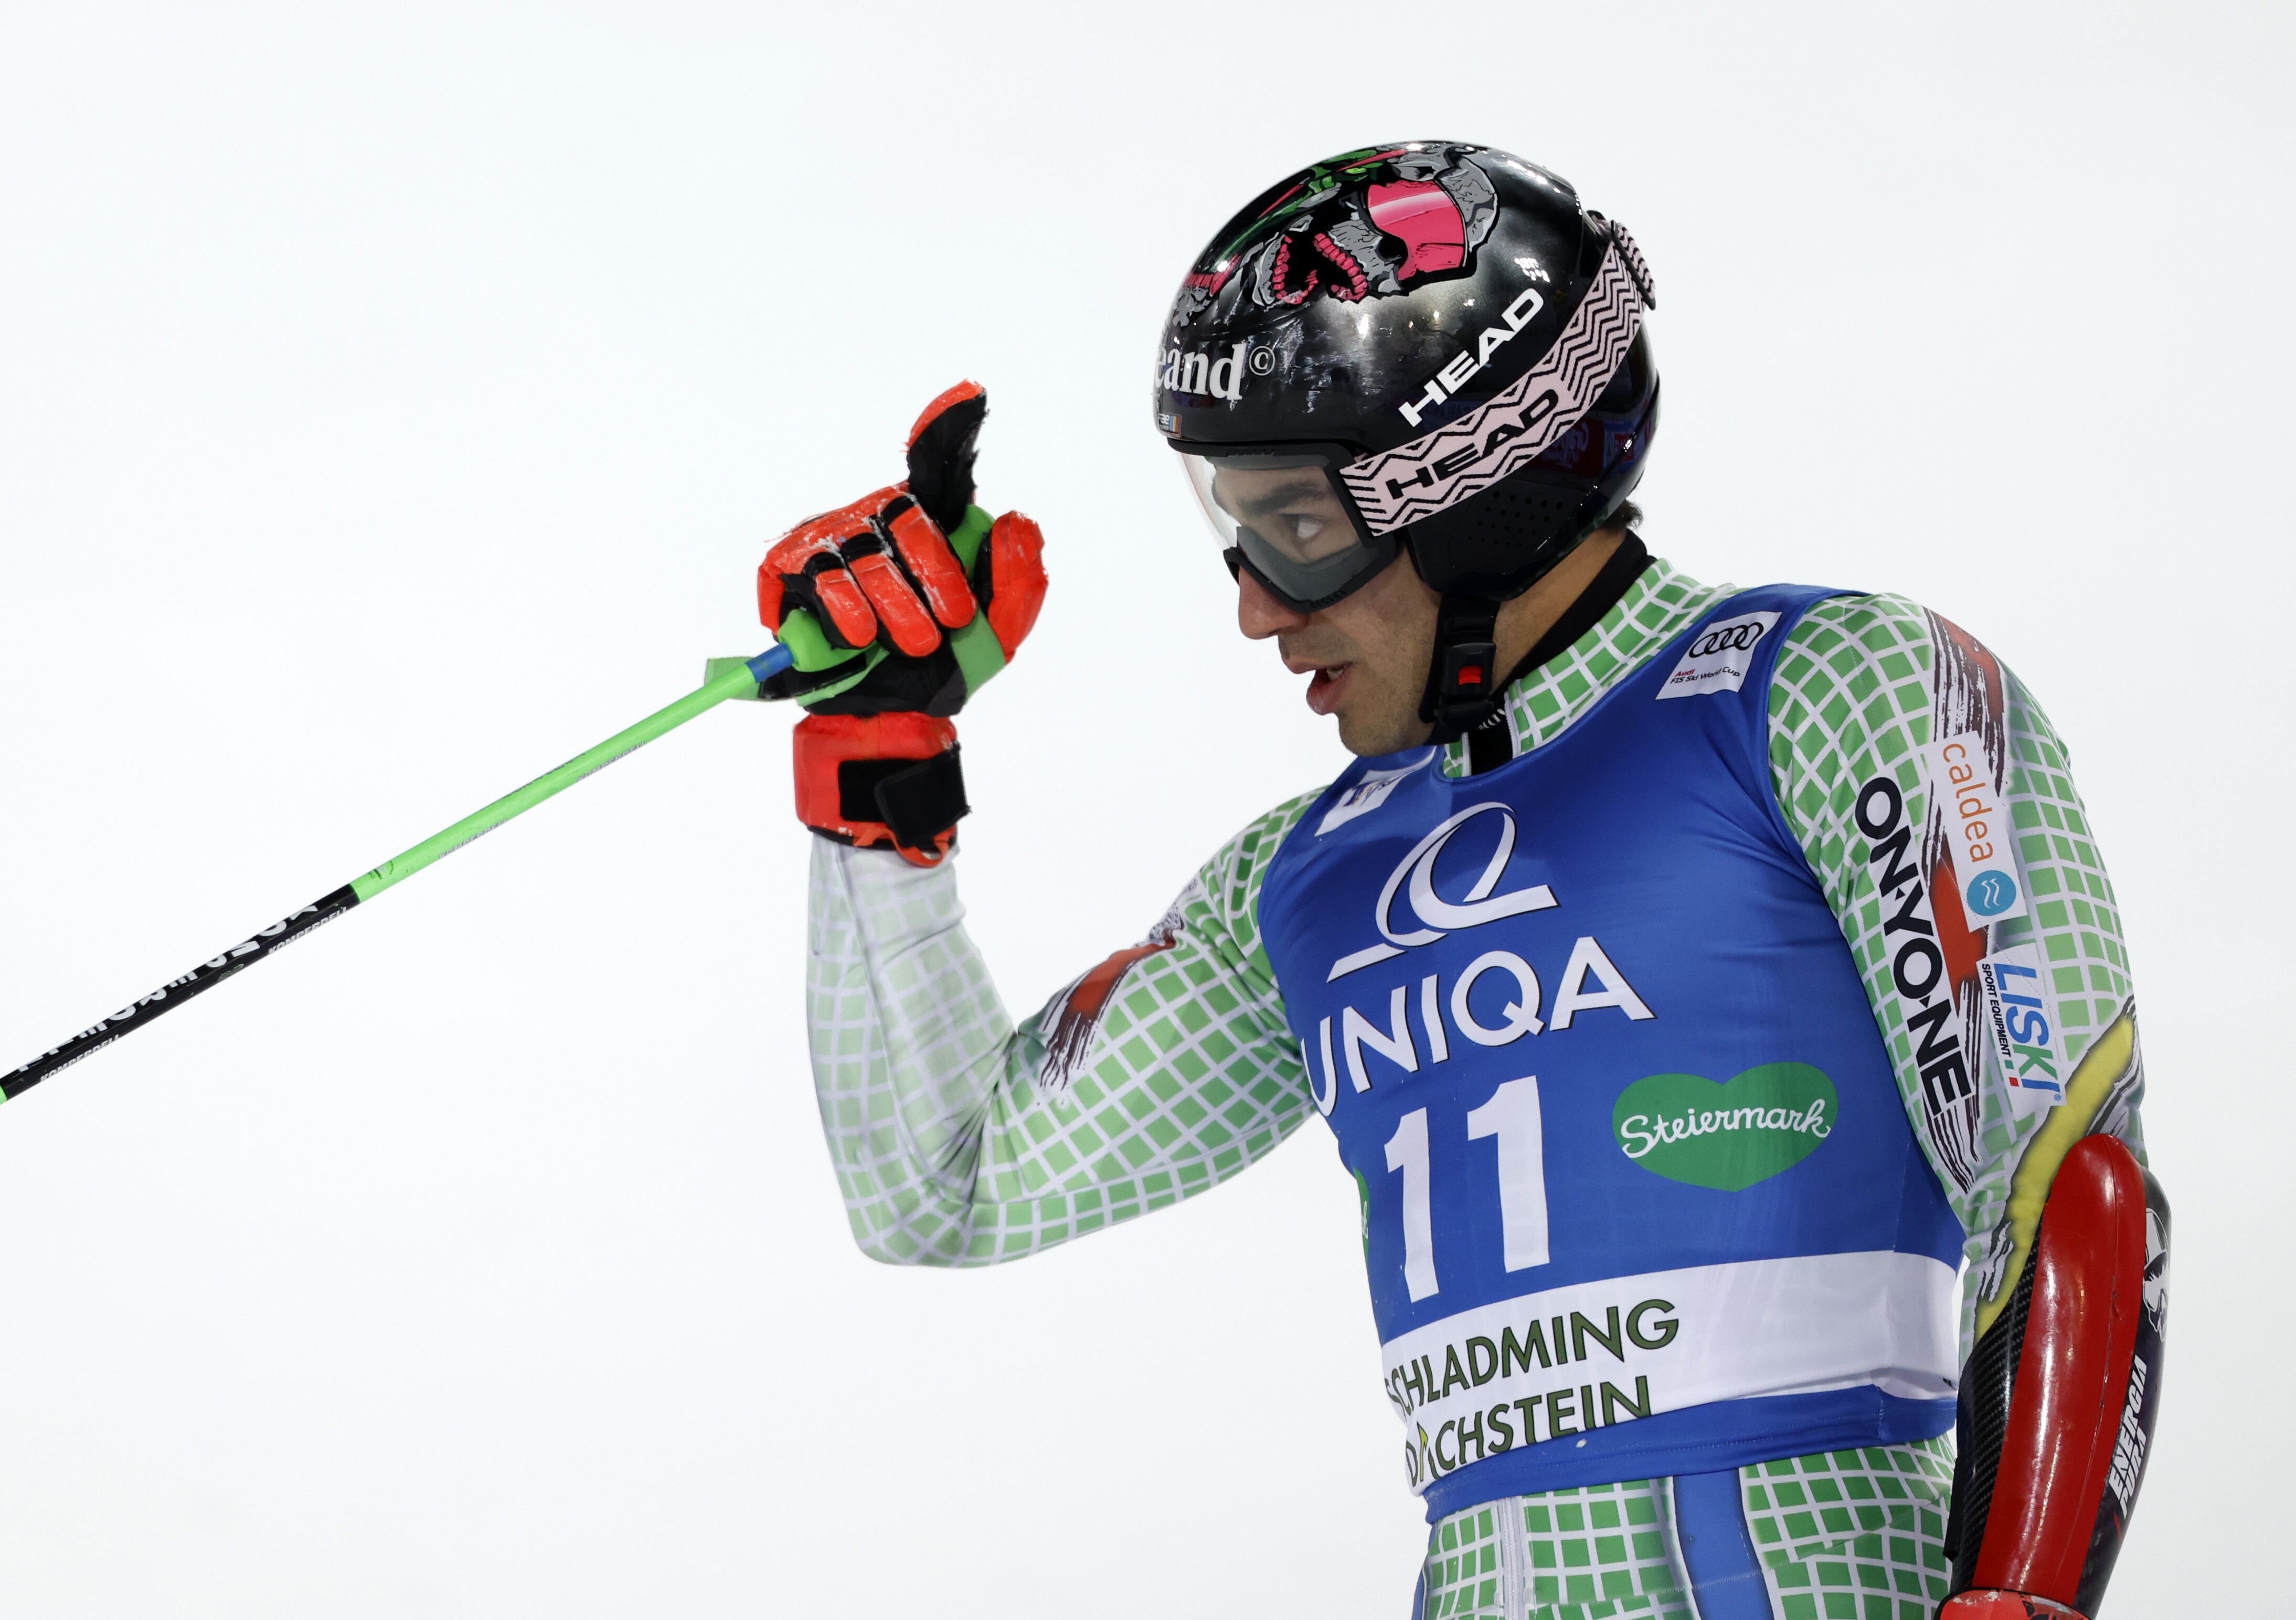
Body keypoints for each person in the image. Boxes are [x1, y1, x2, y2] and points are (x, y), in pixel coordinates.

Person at [751, 143, 2165, 1620]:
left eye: (1299, 531)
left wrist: (2022, 1599)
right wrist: (879, 755)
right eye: (1234, 531)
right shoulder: (1297, 879)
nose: (1254, 610)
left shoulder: (1826, 686)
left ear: (1483, 491)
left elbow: (2069, 1178)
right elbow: (945, 1185)